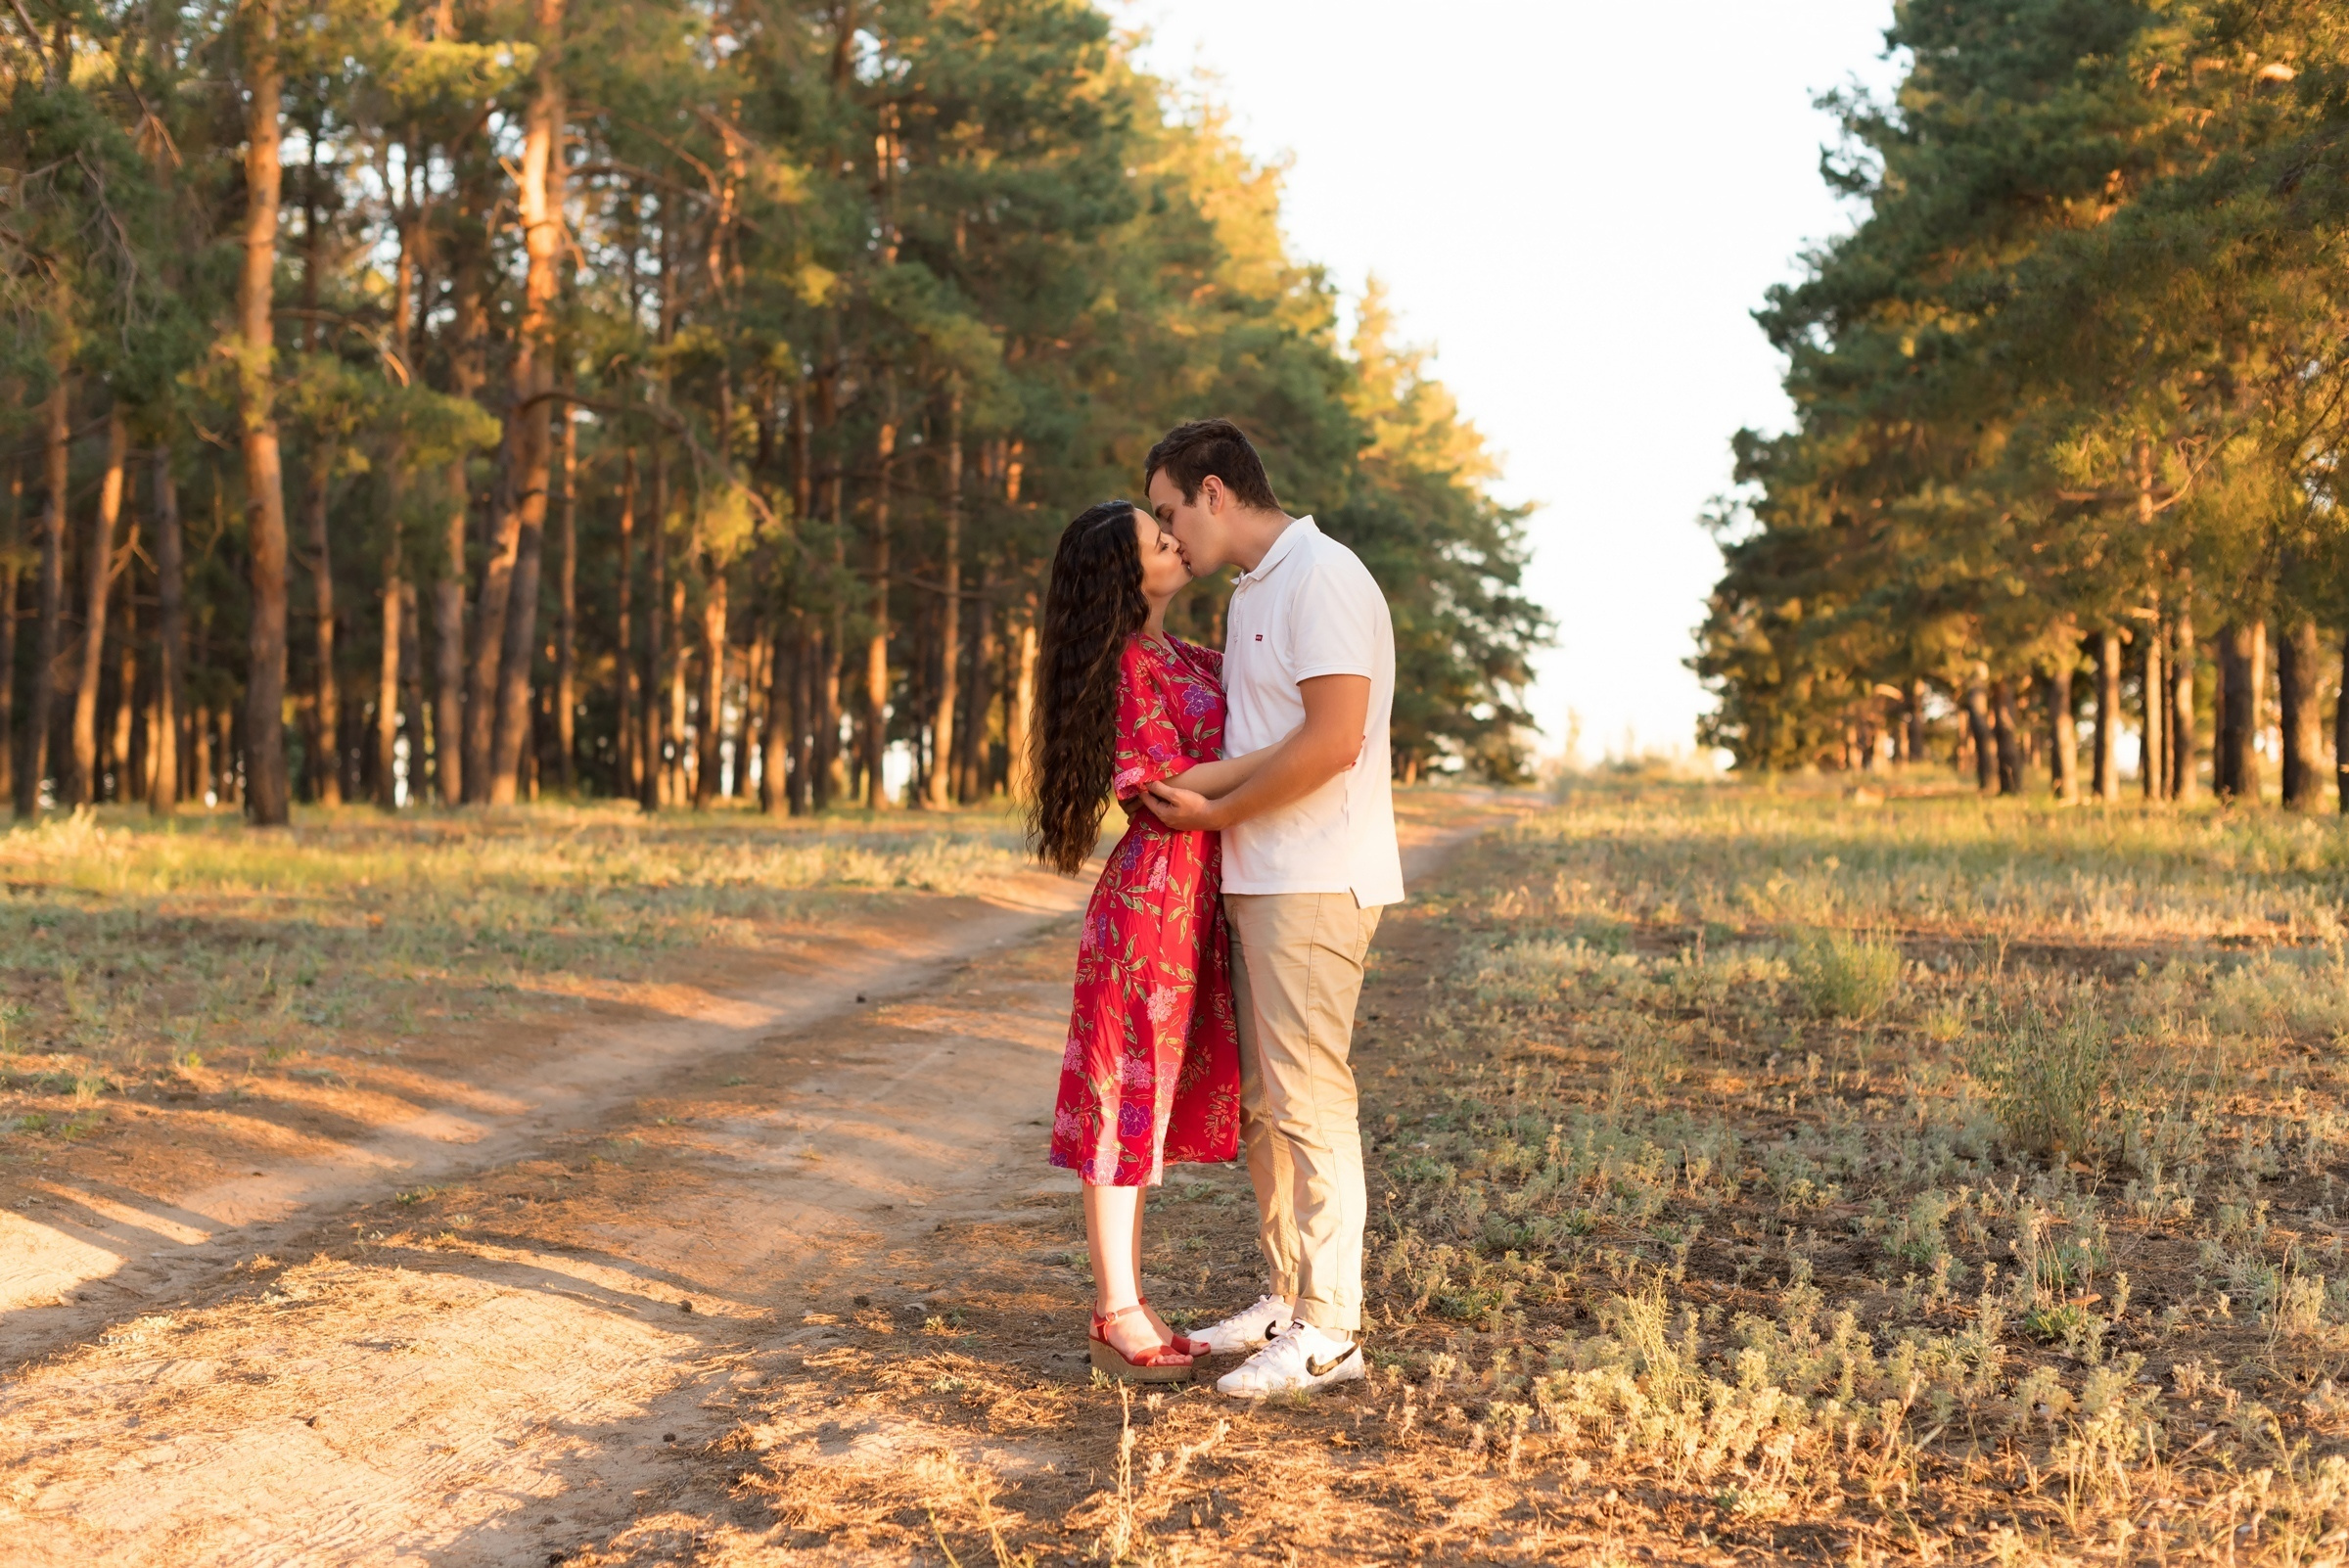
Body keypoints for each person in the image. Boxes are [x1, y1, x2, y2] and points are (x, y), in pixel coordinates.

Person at [1139, 419, 1405, 1400]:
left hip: (1315, 877)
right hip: (1258, 875)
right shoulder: (1256, 588)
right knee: (1265, 1107)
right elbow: (1264, 741)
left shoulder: (1321, 575)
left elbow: (1334, 741)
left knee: (1310, 1098)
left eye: (1170, 511)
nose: (1169, 536)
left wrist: (1215, 809)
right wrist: (1197, 791)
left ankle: (1332, 1330)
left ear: (1214, 492)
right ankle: (1291, 1297)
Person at [1033, 498, 1293, 1383]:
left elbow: (1254, 713)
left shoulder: (1180, 654)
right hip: (1150, 908)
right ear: (1123, 571)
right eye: (1157, 538)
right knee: (1122, 1100)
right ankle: (1115, 1309)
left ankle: (1129, 1302)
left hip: (1194, 903)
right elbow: (1167, 787)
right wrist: (1296, 753)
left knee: (1145, 1108)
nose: (1176, 541)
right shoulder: (1122, 664)